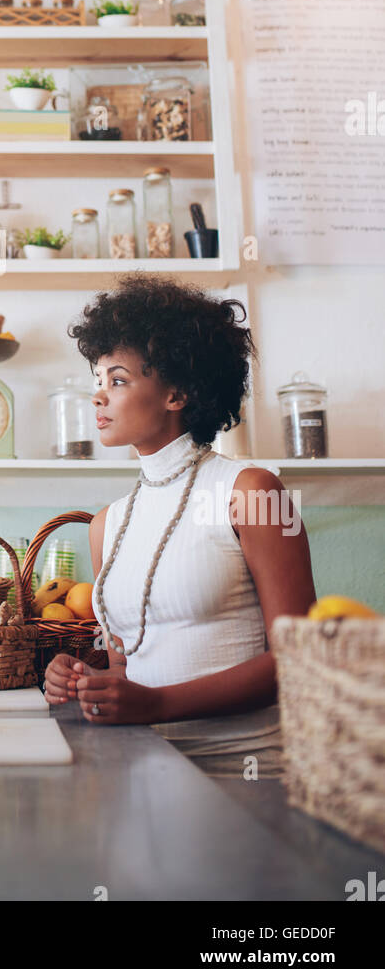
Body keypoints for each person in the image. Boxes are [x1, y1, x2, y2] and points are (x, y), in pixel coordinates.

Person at [42, 273, 316, 778]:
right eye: (96, 381)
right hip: (142, 770)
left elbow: (300, 659)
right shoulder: (107, 524)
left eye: (118, 380)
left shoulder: (251, 491)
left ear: (178, 393)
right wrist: (85, 680)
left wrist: (156, 705)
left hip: (245, 776)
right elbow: (131, 666)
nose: (98, 397)